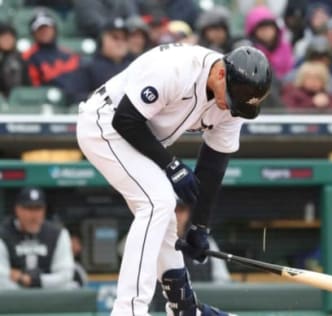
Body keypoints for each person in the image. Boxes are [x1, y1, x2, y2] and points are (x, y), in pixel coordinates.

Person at [76, 43, 272, 315]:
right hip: (104, 124)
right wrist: (171, 165)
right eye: (232, 99)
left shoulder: (234, 103)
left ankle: (183, 307)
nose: (231, 108)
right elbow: (126, 119)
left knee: (163, 213)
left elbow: (213, 166)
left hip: (138, 135)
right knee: (158, 202)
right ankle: (128, 310)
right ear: (220, 74)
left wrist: (199, 226)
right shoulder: (176, 69)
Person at [0, 187, 75, 289]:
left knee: (72, 286)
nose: (34, 215)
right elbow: (1, 276)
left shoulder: (58, 233)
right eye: (28, 209)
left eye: (38, 209)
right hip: (11, 299)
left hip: (51, 296)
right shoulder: (4, 234)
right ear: (17, 209)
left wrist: (31, 281)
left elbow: (66, 274)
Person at [22, 9, 80, 102]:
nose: (44, 32)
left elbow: (78, 79)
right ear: (33, 33)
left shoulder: (68, 54)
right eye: (40, 29)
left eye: (47, 28)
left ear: (54, 30)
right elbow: (34, 87)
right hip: (43, 101)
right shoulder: (28, 56)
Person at [72, 18, 131, 102]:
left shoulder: (133, 67)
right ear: (102, 39)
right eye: (115, 37)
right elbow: (75, 98)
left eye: (124, 38)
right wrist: (99, 98)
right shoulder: (88, 67)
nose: (120, 43)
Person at [245, 6, 294, 80]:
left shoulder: (285, 47)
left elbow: (290, 70)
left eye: (270, 27)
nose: (266, 32)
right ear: (253, 32)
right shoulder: (249, 51)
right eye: (262, 29)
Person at [74, 0, 138, 38]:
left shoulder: (122, 2)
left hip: (124, 39)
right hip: (94, 41)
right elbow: (97, 25)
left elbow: (134, 20)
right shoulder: (85, 2)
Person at [0, 22, 29, 98]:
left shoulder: (21, 58)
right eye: (3, 37)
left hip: (17, 99)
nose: (6, 40)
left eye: (9, 37)